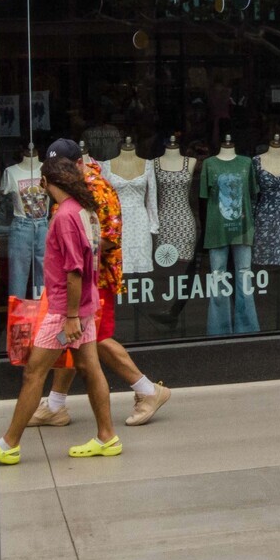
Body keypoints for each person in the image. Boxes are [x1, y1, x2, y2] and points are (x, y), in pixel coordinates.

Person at [30, 139, 170, 429]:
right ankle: (55, 405)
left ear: (79, 163)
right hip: (77, 279)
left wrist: (71, 256)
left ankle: (147, 389)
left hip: (95, 279)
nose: (59, 174)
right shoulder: (76, 185)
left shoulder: (96, 188)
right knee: (73, 337)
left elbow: (110, 237)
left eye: (65, 167)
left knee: (97, 338)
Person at [0, 157, 121, 463]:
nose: (42, 188)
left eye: (43, 182)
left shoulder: (65, 216)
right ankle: (107, 436)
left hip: (64, 310)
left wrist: (69, 318)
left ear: (51, 183)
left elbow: (74, 271)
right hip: (85, 305)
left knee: (33, 373)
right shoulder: (84, 210)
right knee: (90, 369)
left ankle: (9, 444)